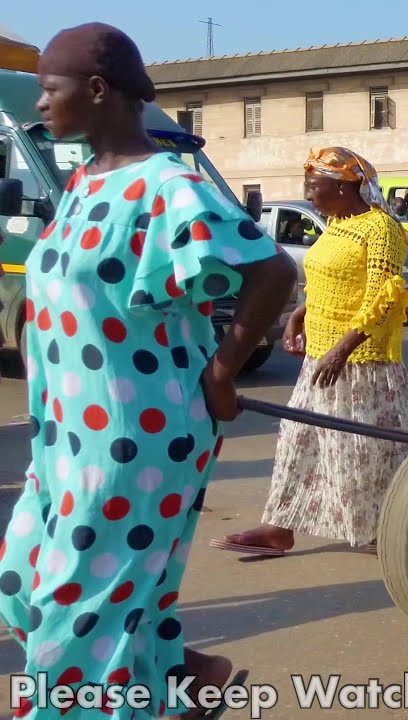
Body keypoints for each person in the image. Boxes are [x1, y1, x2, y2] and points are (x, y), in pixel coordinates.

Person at [0, 22, 298, 719]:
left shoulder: (166, 184)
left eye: (51, 89)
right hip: (65, 436)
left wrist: (225, 370)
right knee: (22, 582)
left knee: (77, 610)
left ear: (98, 90)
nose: (42, 104)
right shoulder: (81, 181)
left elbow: (271, 269)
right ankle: (180, 682)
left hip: (136, 438)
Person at [210, 147, 408, 557]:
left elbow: (387, 295)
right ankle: (279, 527)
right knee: (297, 438)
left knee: (365, 449)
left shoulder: (381, 229)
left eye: (314, 185)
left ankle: (386, 527)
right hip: (319, 355)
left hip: (361, 361)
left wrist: (344, 348)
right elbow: (326, 279)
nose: (309, 193)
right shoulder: (337, 225)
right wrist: (297, 317)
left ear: (343, 186)